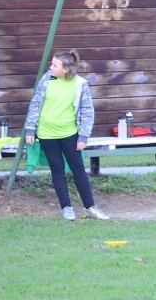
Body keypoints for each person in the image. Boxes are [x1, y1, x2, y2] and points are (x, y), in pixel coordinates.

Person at [23, 49, 109, 221]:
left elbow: (87, 111)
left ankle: (90, 207)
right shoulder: (46, 80)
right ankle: (66, 208)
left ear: (66, 69)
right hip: (47, 134)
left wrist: (83, 136)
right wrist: (30, 128)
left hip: (70, 135)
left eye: (55, 65)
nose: (50, 67)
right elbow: (35, 104)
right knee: (57, 170)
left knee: (78, 171)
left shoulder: (80, 84)